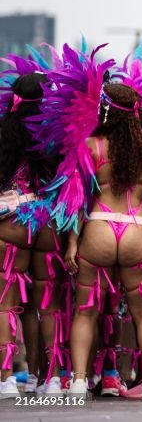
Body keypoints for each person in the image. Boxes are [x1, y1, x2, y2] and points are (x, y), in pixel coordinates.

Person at [65, 82, 142, 400]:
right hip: (135, 229)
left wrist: (73, 242)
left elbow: (79, 198)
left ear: (105, 110)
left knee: (85, 311)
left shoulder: (91, 145)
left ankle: (77, 382)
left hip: (99, 228)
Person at [0, 70, 62, 398]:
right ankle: (48, 379)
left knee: (7, 306)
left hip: (11, 222)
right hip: (48, 222)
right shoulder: (56, 137)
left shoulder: (3, 132)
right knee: (47, 307)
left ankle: (7, 379)